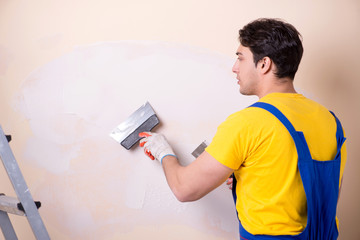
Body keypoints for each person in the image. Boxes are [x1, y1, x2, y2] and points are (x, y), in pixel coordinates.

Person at [139, 18, 347, 239]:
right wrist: (249, 178)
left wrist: (163, 151)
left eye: (241, 58)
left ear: (264, 64)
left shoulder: (248, 123)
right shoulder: (331, 121)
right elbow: (316, 191)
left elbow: (184, 188)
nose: (235, 67)